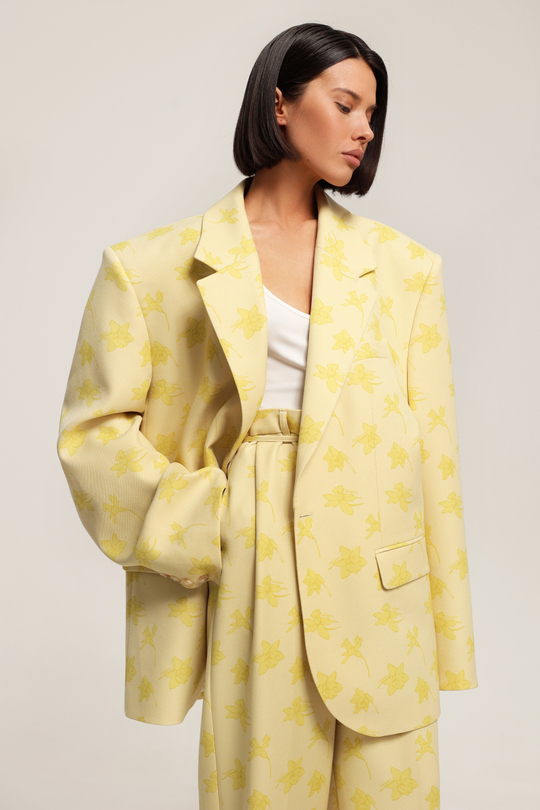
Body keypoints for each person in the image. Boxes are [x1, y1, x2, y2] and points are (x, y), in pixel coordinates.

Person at [57, 21, 478, 810]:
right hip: (254, 559)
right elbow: (92, 434)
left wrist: (449, 628)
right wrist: (202, 517)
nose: (364, 129)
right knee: (262, 789)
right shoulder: (152, 267)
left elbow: (434, 454)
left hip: (381, 572)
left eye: (372, 113)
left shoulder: (406, 270)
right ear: (279, 105)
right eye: (345, 104)